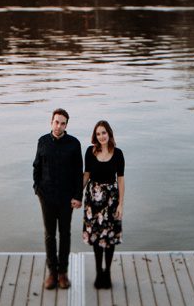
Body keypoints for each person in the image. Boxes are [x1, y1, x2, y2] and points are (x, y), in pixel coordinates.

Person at [32, 107, 82, 289]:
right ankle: (52, 273)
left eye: (62, 123)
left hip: (66, 198)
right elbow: (36, 166)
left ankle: (63, 273)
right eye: (56, 122)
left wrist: (78, 196)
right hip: (46, 197)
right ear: (51, 122)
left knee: (65, 235)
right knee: (49, 235)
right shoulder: (43, 141)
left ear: (66, 125)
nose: (59, 126)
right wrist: (37, 189)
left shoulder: (74, 144)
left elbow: (78, 173)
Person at [82, 119, 125, 289]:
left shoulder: (118, 153)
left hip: (112, 200)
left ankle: (107, 272)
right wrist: (75, 195)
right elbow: (86, 175)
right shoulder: (90, 152)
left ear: (109, 134)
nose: (101, 136)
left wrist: (121, 204)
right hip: (93, 201)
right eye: (98, 133)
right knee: (96, 238)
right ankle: (99, 272)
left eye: (104, 133)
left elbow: (120, 180)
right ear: (95, 136)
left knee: (110, 238)